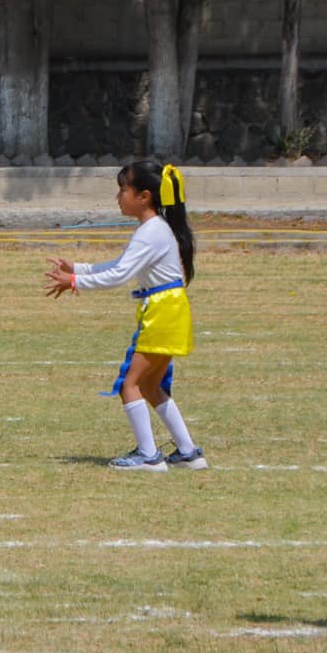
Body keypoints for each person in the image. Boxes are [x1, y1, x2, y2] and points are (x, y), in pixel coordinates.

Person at [45, 161, 204, 473]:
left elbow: (119, 275)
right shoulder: (154, 230)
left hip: (163, 312)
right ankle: (188, 452)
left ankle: (149, 455)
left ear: (143, 196)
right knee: (151, 385)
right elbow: (121, 265)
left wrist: (75, 282)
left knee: (129, 385)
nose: (118, 197)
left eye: (122, 190)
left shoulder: (151, 231)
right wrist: (78, 269)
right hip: (169, 309)